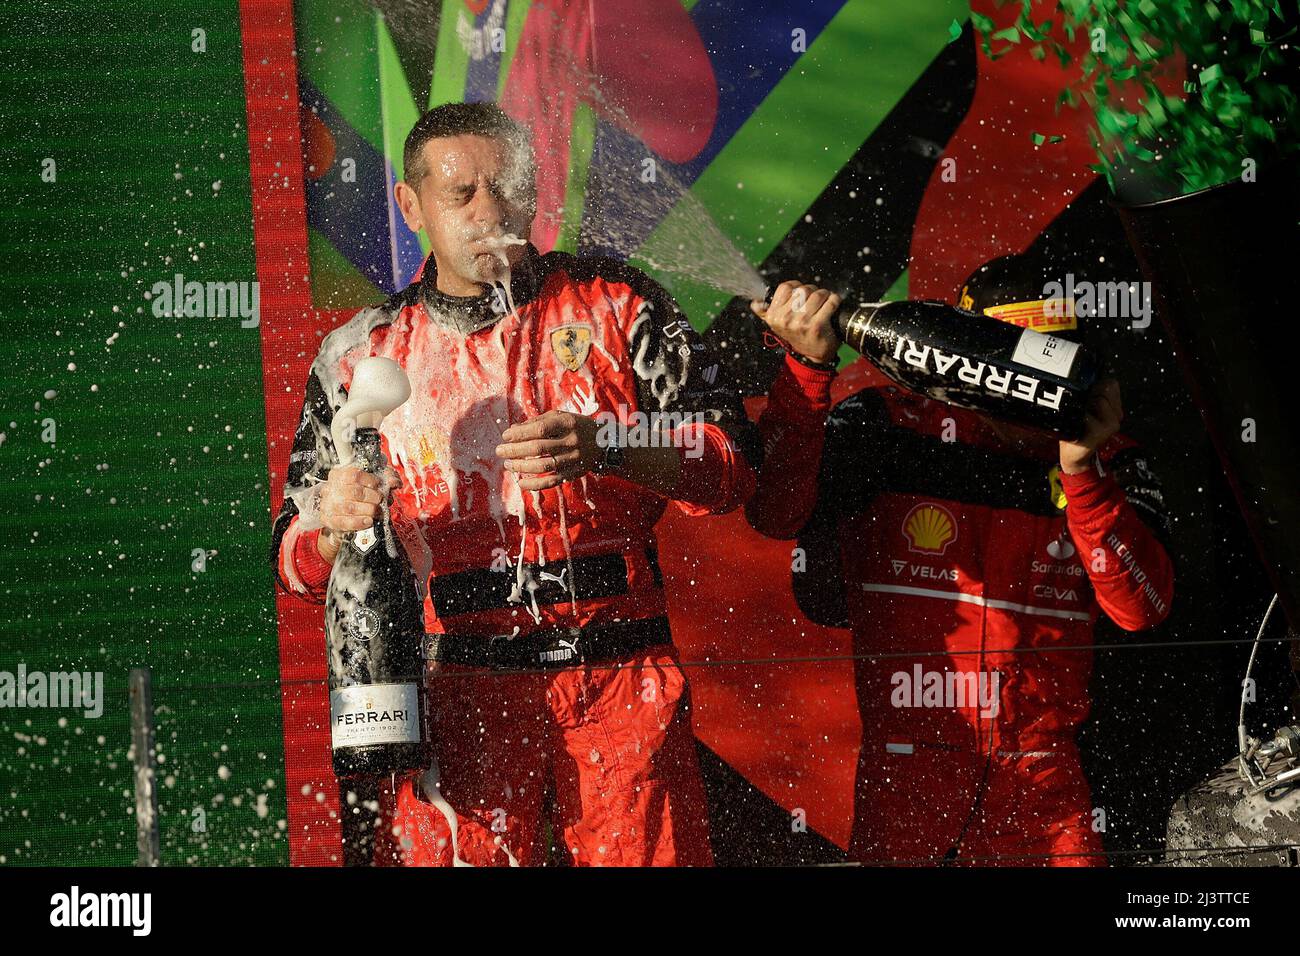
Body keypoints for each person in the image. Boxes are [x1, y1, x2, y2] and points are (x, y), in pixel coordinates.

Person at [269, 102, 759, 866]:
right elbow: (290, 562)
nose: (488, 211)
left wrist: (612, 444)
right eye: (461, 193)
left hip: (619, 680)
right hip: (458, 695)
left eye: (506, 188)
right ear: (412, 205)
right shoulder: (358, 353)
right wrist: (332, 527)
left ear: (535, 193)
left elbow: (731, 463)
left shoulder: (620, 303)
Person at [746, 255, 1174, 865]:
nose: (1032, 388)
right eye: (1012, 363)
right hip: (906, 788)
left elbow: (1142, 609)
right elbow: (774, 512)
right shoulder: (884, 424)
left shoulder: (1110, 453)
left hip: (1047, 796)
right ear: (958, 353)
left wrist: (1082, 473)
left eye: (1053, 362)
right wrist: (806, 373)